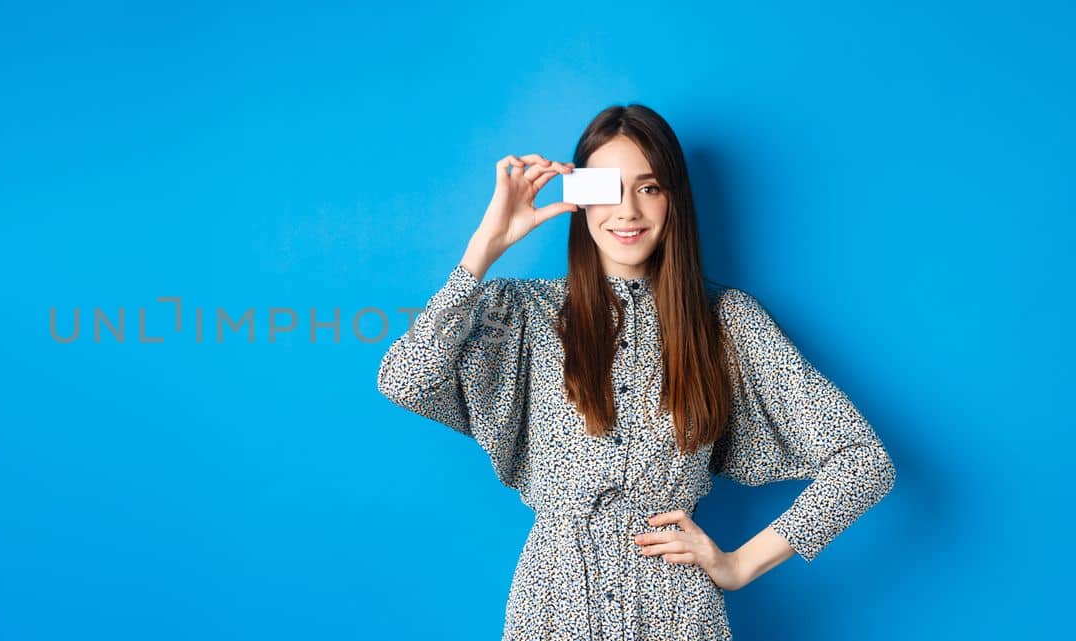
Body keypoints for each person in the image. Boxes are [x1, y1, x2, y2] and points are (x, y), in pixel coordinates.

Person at [375, 104, 896, 641]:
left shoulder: (726, 323)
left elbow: (863, 463)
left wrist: (739, 566)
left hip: (677, 616)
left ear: (674, 200)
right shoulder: (521, 314)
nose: (626, 210)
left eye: (649, 187)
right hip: (552, 613)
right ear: (579, 197)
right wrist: (483, 251)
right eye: (607, 187)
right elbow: (405, 379)